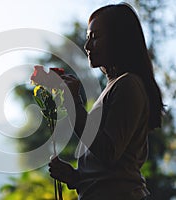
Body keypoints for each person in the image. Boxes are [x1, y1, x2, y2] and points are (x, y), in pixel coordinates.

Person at [48, 3, 164, 200]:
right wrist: (75, 177)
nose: (87, 46)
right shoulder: (116, 86)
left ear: (118, 39)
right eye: (88, 38)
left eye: (95, 38)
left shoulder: (128, 85)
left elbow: (108, 151)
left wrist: (74, 104)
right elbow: (109, 169)